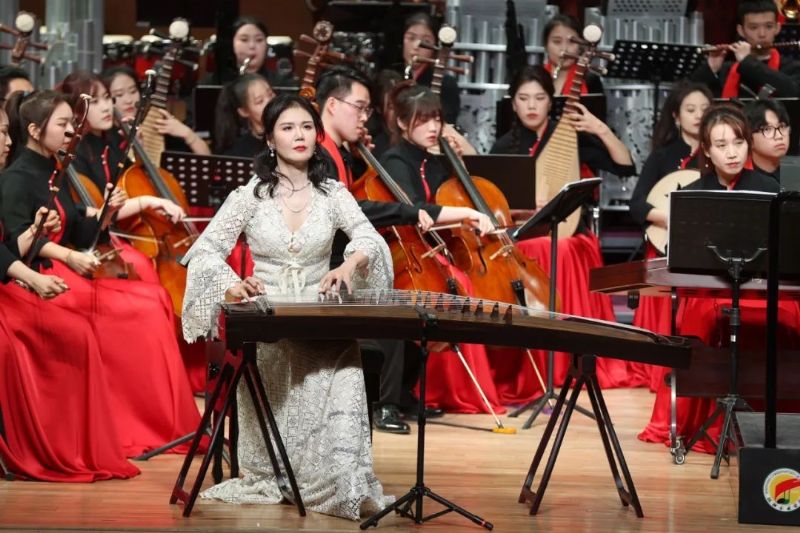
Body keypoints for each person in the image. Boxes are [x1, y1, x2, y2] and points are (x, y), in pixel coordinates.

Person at [182, 93, 391, 520]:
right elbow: (203, 252)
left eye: (307, 127)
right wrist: (234, 284)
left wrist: (349, 263)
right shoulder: (249, 197)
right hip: (268, 320)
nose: (300, 135)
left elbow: (370, 238)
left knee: (346, 371)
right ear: (270, 139)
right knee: (273, 377)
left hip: (320, 317)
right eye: (288, 127)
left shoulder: (333, 194)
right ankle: (278, 473)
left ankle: (342, 480)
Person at [0, 90, 201, 457]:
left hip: (63, 268)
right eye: (63, 124)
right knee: (143, 310)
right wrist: (62, 250)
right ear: (34, 130)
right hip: (37, 276)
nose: (71, 131)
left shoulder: (53, 166)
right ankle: (137, 423)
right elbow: (16, 243)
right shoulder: (16, 177)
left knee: (156, 297)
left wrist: (105, 214)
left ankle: (166, 421)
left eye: (72, 124)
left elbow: (78, 229)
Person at [638, 104, 798, 453]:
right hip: (711, 292)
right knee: (701, 318)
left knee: (787, 318)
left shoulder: (771, 189)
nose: (732, 152)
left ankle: (780, 419)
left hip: (761, 290)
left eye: (738, 143)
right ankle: (699, 417)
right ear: (707, 151)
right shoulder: (694, 192)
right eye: (721, 145)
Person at [490, 65, 636, 400]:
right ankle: (533, 364)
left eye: (539, 98)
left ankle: (566, 359)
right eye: (523, 98)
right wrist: (523, 208)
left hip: (568, 236)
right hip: (523, 234)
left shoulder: (571, 136)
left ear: (550, 101)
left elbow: (625, 165)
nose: (531, 105)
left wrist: (600, 128)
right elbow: (495, 203)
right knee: (531, 247)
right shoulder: (505, 145)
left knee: (556, 247)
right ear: (513, 103)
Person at [58, 70, 185, 285]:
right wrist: (147, 201)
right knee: (143, 269)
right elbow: (101, 210)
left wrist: (138, 148)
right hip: (98, 238)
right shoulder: (76, 152)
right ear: (77, 110)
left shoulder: (112, 140)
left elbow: (134, 182)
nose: (106, 107)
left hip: (122, 233)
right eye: (95, 102)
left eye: (107, 98)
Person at [628, 81, 711, 390]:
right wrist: (670, 218)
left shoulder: (719, 155)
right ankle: (659, 363)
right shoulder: (662, 157)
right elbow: (637, 205)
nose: (698, 115)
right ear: (676, 116)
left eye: (704, 109)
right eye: (690, 109)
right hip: (665, 242)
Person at [692, 0, 800, 98]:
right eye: (753, 27)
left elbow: (794, 91)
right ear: (741, 31)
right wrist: (710, 68)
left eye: (769, 26)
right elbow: (686, 95)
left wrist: (747, 61)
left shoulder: (792, 68)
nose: (762, 34)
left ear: (777, 28)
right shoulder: (726, 69)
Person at [102, 66, 211, 155]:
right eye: (119, 95)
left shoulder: (156, 126)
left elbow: (207, 162)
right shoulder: (105, 136)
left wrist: (187, 134)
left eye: (133, 91)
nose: (129, 100)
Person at [541, 14, 604, 95]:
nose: (564, 49)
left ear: (580, 46)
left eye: (572, 42)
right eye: (557, 42)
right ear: (546, 45)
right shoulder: (536, 77)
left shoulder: (591, 80)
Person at [214, 73, 275, 156]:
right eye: (260, 101)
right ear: (244, 111)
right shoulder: (237, 153)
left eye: (270, 94)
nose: (271, 102)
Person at [744, 98, 790, 182]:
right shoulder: (740, 178)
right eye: (767, 129)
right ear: (749, 138)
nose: (779, 136)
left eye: (782, 126)